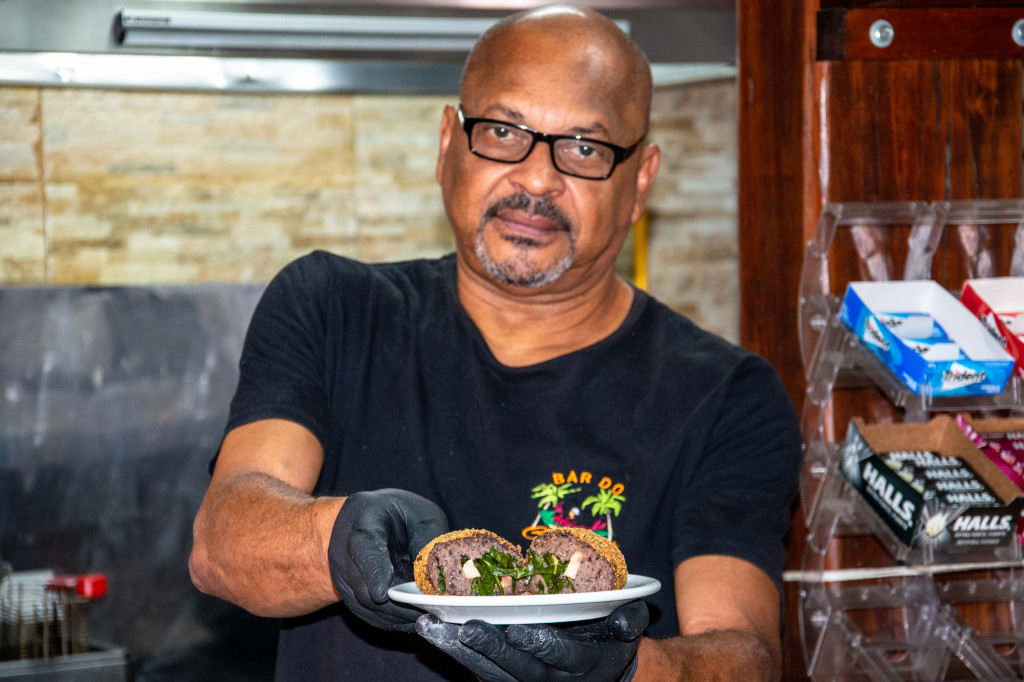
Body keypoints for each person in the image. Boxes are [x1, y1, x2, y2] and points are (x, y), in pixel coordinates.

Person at [189, 4, 802, 681]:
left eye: (585, 147)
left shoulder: (726, 395)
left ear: (640, 182)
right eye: (503, 131)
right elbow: (222, 542)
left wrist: (628, 671)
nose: (537, 179)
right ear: (447, 143)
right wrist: (334, 540)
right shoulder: (332, 308)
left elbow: (745, 654)